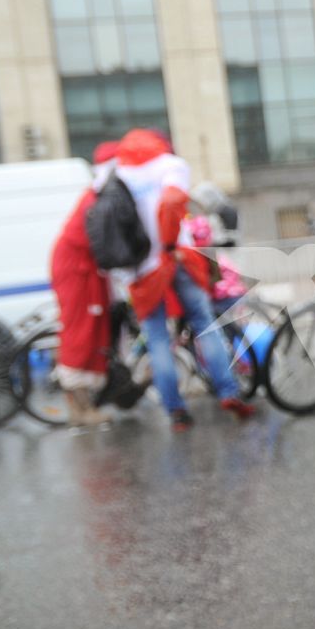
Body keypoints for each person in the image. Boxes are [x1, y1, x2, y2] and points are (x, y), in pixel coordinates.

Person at [112, 129, 254, 431]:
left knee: (157, 338)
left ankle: (176, 411)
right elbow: (174, 199)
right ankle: (228, 391)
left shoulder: (117, 174)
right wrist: (166, 242)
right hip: (176, 256)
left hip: (142, 269)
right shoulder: (169, 165)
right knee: (205, 324)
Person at [48, 142, 120, 427]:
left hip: (84, 270)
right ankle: (80, 409)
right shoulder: (96, 200)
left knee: (87, 332)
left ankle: (82, 406)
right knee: (80, 334)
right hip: (78, 272)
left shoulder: (97, 196)